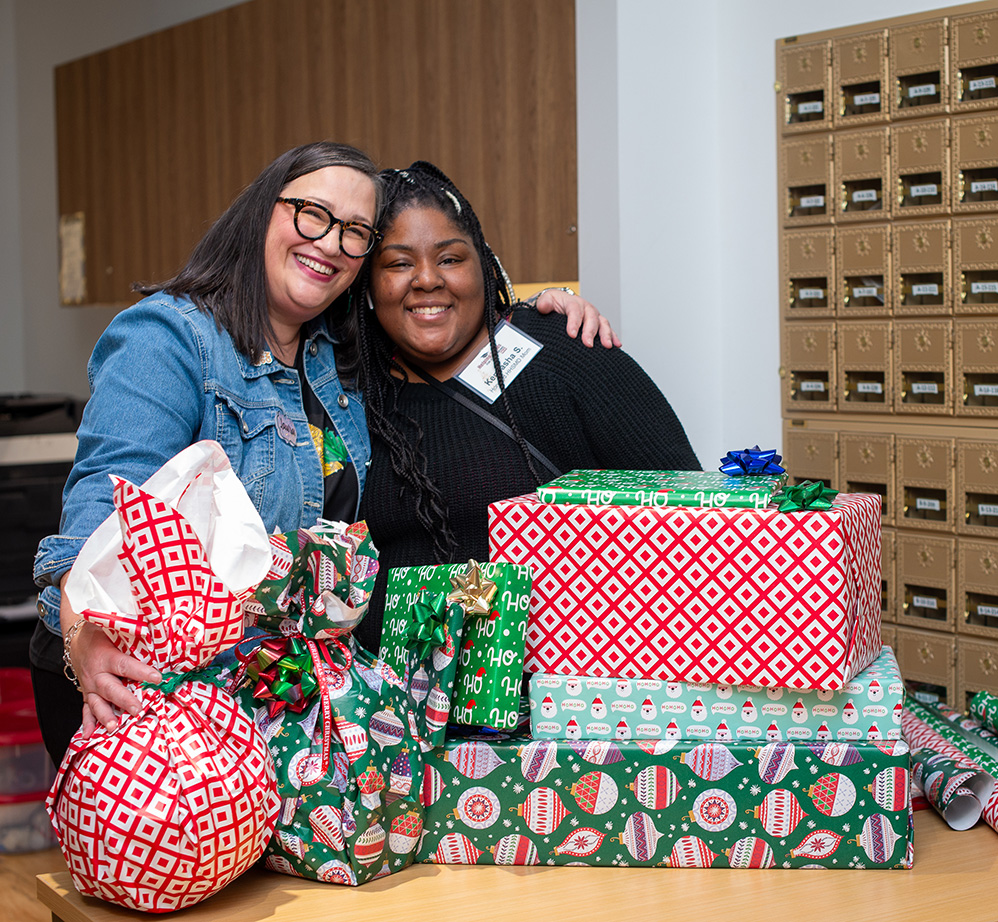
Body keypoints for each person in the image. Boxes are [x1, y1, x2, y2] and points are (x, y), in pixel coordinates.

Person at [31, 141, 612, 765]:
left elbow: (433, 302)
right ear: (262, 212)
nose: (331, 242)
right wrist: (82, 633)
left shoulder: (339, 356)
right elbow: (103, 502)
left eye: (355, 232)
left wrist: (537, 316)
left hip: (258, 694)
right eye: (312, 213)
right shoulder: (171, 337)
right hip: (136, 685)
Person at [353, 161, 700, 653]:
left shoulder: (566, 350)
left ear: (486, 265)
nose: (427, 280)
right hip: (398, 710)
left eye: (450, 259)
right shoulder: (348, 394)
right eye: (398, 263)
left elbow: (695, 518)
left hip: (572, 699)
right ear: (367, 284)